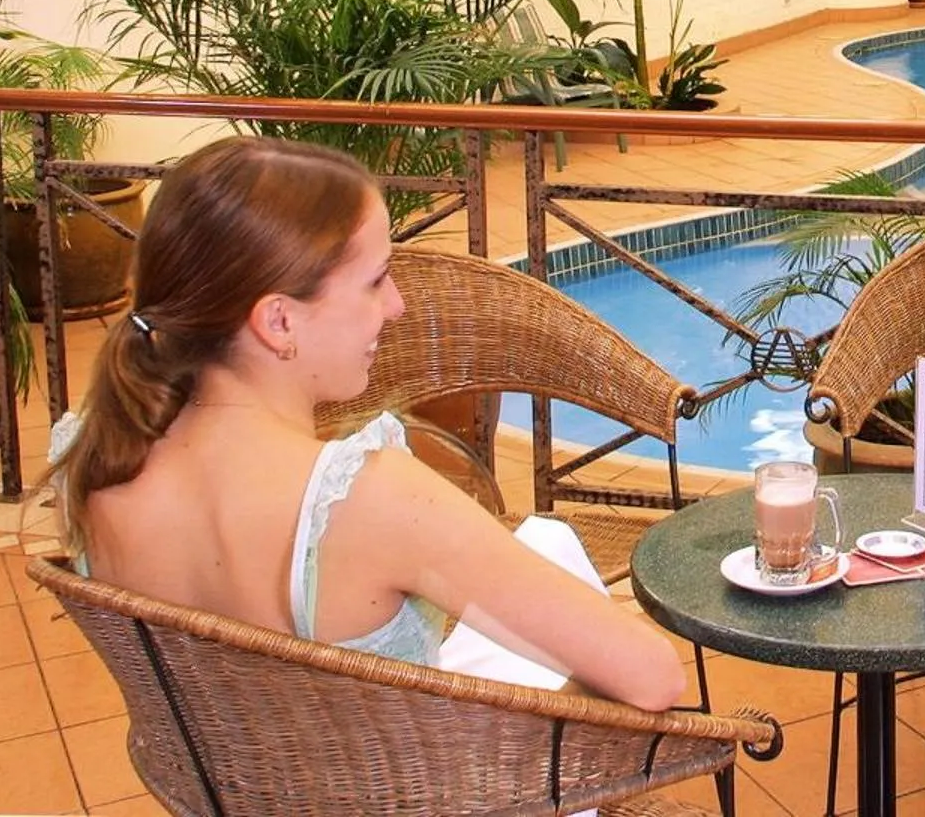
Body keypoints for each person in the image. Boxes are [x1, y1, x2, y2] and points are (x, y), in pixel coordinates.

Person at [47, 136, 686, 709]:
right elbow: (651, 678)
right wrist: (522, 740)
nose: (397, 307)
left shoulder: (94, 460)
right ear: (279, 322)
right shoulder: (364, 498)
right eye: (377, 280)